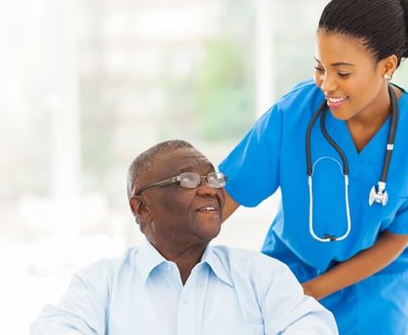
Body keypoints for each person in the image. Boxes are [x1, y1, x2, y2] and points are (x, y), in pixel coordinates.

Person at [219, 0, 408, 334]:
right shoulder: (292, 116)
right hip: (290, 274)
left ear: (387, 66)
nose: (327, 84)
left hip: (375, 284)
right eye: (320, 67)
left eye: (343, 72)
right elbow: (226, 195)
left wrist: (314, 292)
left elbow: (397, 238)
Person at [31, 140, 337, 335]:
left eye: (213, 177)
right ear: (142, 208)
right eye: (188, 179)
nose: (209, 189)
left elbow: (311, 326)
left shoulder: (262, 276)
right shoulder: (100, 284)